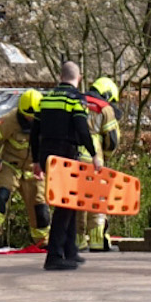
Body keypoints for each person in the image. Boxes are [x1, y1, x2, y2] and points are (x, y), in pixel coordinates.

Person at [31, 62, 94, 272]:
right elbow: (82, 128)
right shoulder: (75, 99)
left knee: (70, 201)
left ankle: (70, 250)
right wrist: (94, 154)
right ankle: (55, 255)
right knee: (65, 204)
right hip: (66, 153)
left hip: (47, 154)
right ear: (80, 77)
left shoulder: (46, 98)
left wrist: (35, 160)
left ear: (60, 76)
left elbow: (34, 132)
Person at [0, 89, 50, 247]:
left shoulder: (48, 121)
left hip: (34, 170)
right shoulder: (10, 120)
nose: (29, 119)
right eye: (26, 116)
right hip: (11, 166)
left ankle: (42, 239)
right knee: (3, 193)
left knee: (41, 206)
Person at [82, 76, 126, 252]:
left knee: (76, 202)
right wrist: (105, 156)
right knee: (97, 200)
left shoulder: (77, 102)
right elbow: (113, 139)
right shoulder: (104, 109)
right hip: (94, 161)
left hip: (71, 159)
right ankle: (98, 241)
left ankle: (77, 242)